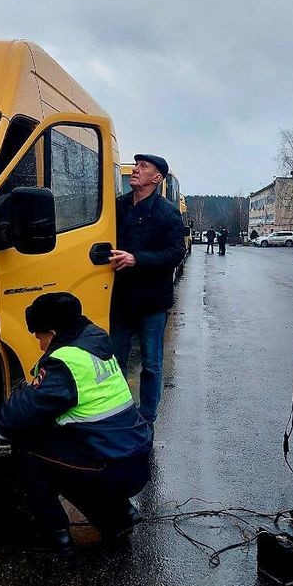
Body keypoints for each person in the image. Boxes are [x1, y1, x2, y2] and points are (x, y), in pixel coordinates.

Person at [0, 292, 153, 552]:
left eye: (40, 337)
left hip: (111, 467)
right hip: (134, 457)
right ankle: (120, 515)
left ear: (53, 333)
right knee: (70, 456)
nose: (40, 345)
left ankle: (57, 536)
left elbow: (22, 409)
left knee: (31, 452)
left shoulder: (66, 364)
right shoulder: (94, 343)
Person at [108, 154, 186, 429]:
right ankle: (115, 413)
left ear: (157, 178)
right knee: (113, 361)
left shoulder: (167, 212)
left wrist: (136, 259)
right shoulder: (116, 207)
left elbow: (176, 253)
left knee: (151, 366)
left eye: (143, 167)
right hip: (120, 299)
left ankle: (147, 419)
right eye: (136, 165)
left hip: (152, 302)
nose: (135, 170)